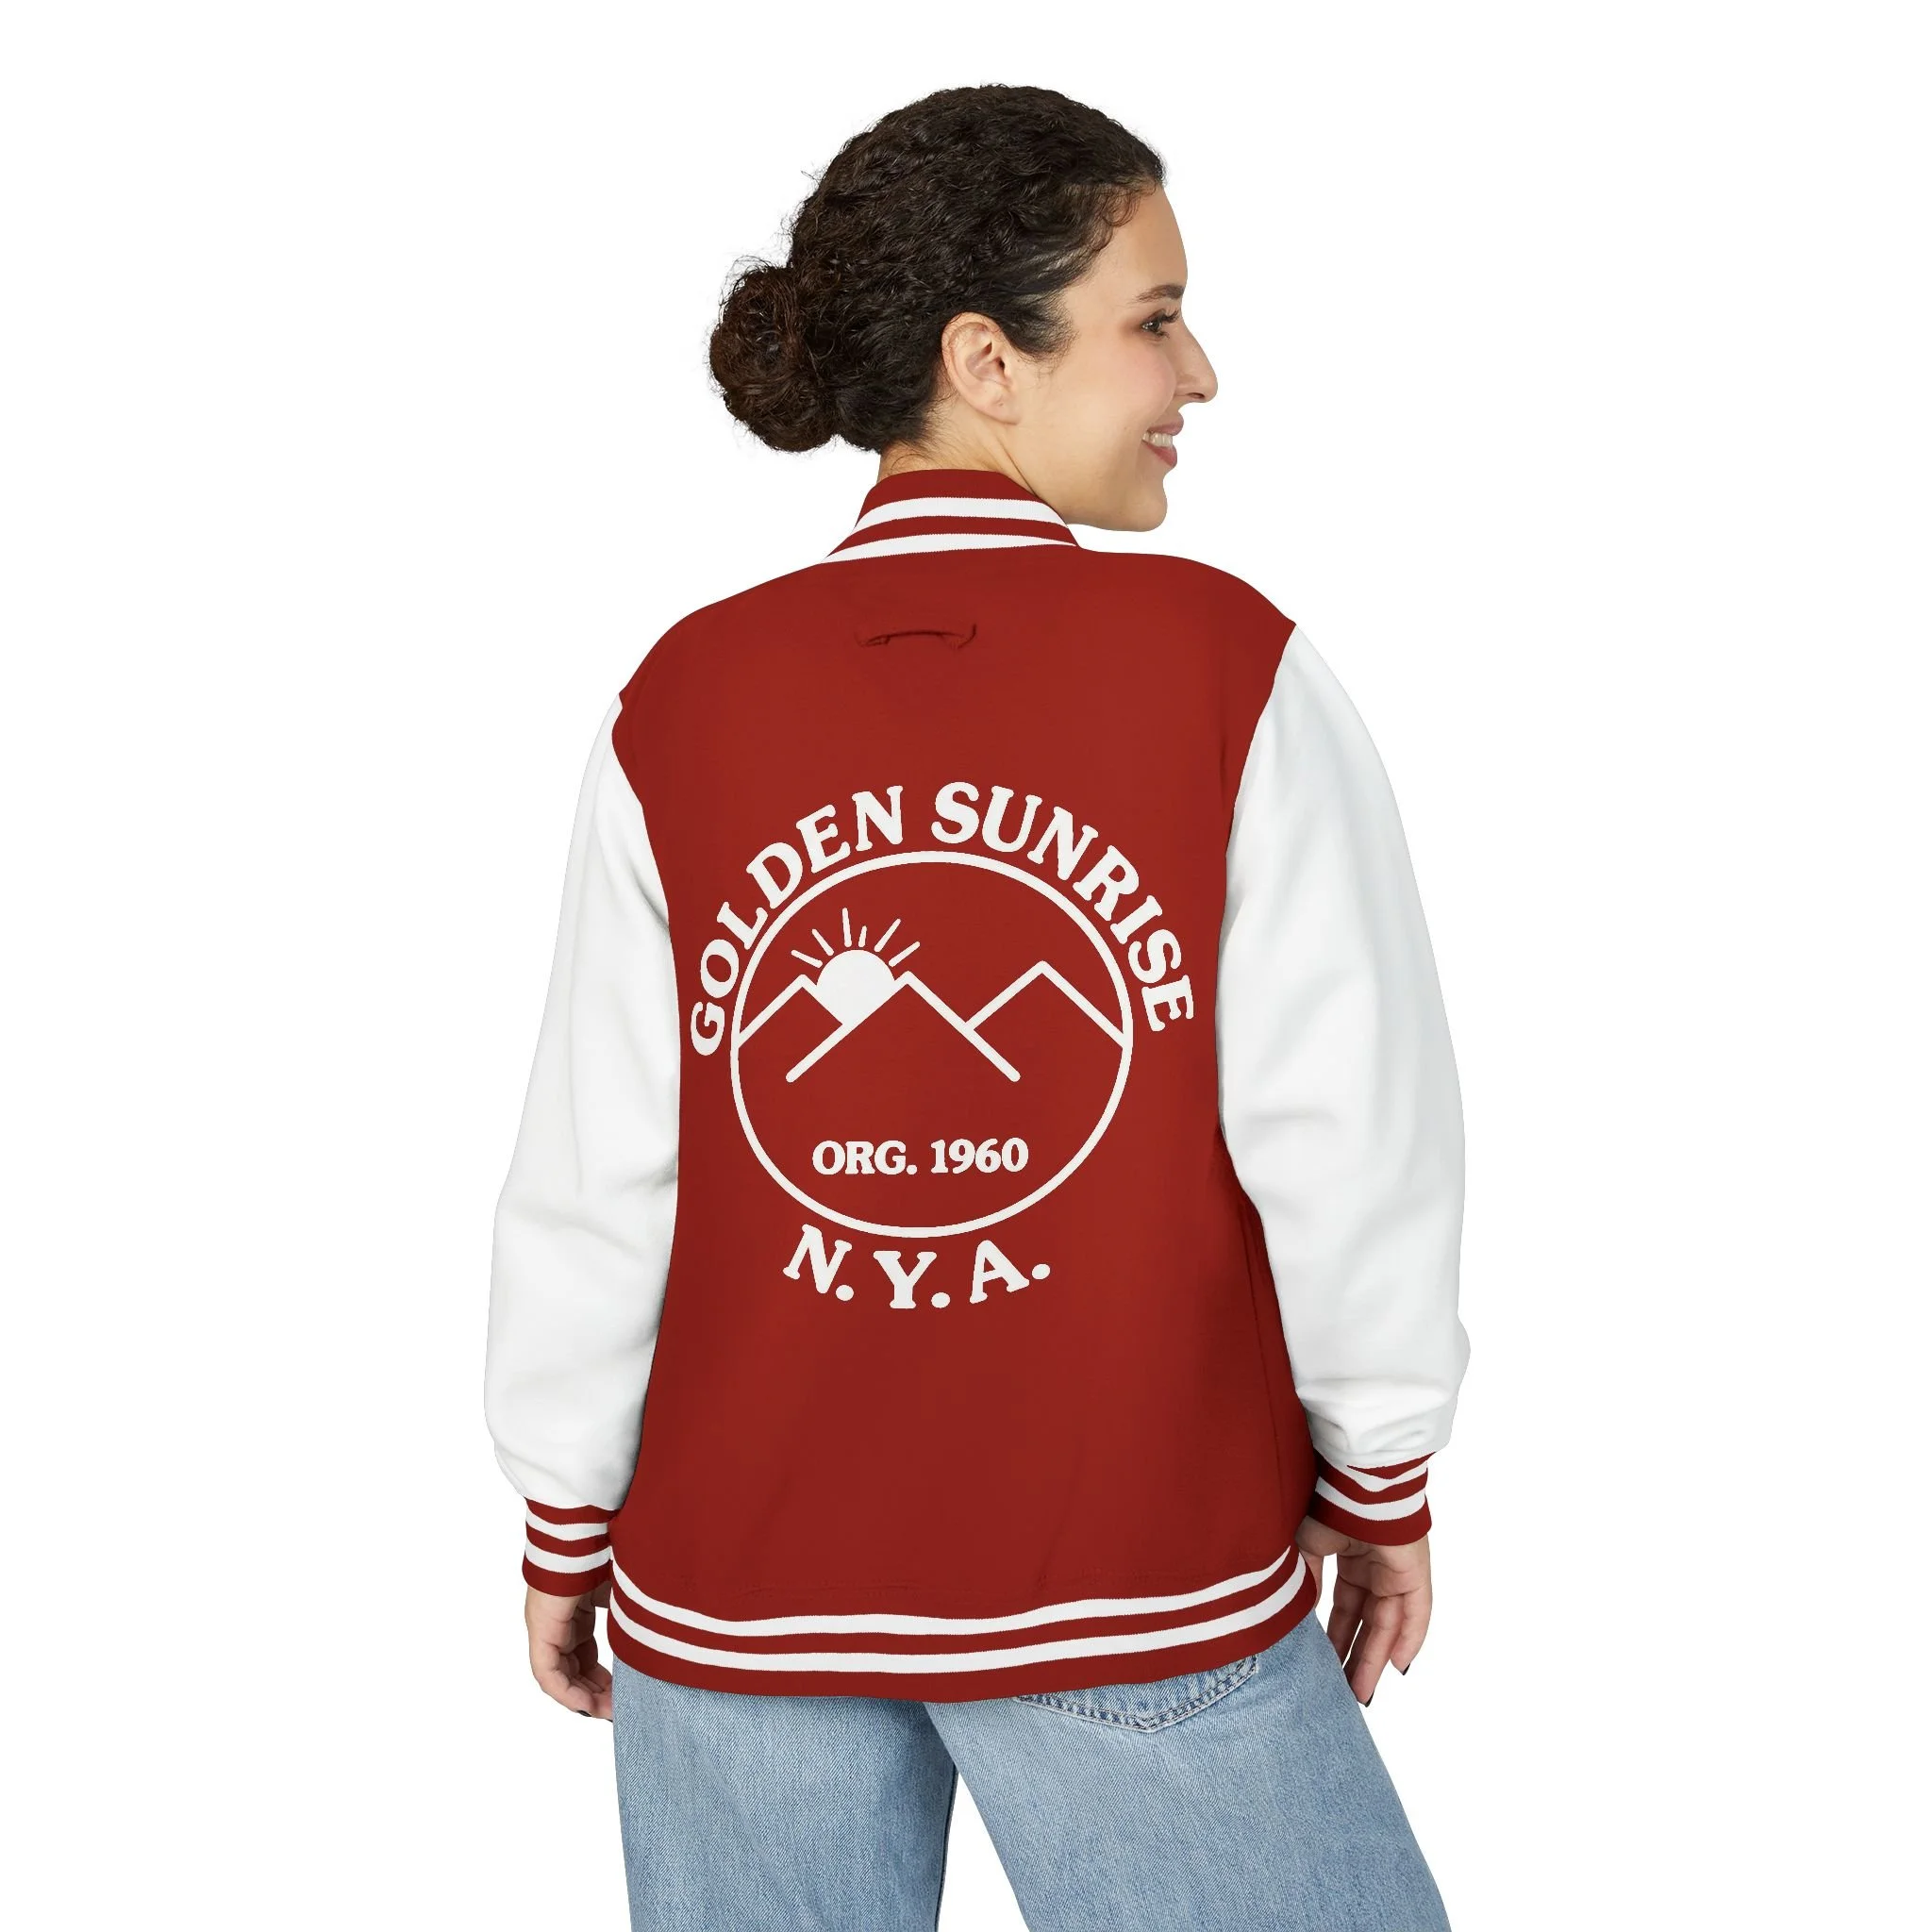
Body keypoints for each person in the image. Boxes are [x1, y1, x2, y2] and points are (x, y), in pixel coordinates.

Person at [483, 82, 1470, 1932]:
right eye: (1153, 318)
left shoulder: (684, 696)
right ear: (984, 361)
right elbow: (1346, 1130)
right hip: (1129, 1573)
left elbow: (602, 1169)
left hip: (733, 1599)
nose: (1199, 373)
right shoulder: (1226, 666)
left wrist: (564, 1512)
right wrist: (1382, 1467)